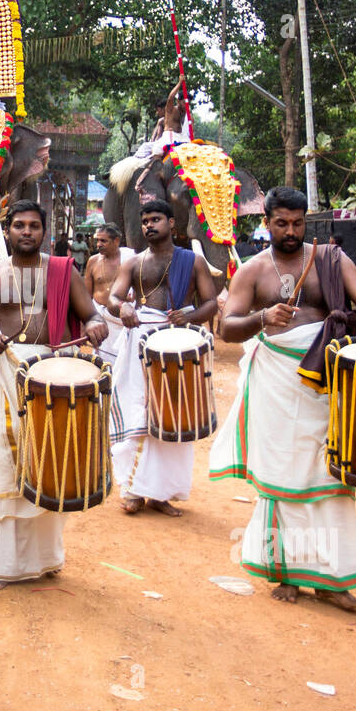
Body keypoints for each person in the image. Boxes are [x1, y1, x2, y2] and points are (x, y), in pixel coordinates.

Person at [209, 186, 356, 609]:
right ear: (268, 223)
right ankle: (285, 573)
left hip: (327, 380)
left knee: (330, 474)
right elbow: (228, 327)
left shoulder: (332, 259)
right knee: (283, 477)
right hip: (276, 382)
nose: (291, 231)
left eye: (298, 223)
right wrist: (263, 317)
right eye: (282, 223)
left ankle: (331, 580)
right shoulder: (254, 270)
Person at [0, 200, 109, 589]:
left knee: (49, 455)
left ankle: (45, 559)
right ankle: (4, 564)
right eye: (19, 225)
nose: (26, 232)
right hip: (7, 369)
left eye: (34, 226)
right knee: (3, 456)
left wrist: (95, 326)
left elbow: (91, 314)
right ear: (8, 231)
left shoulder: (63, 271)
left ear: (45, 231)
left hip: (54, 372)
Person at [105, 200, 218, 516]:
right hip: (138, 343)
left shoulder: (192, 262)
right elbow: (114, 296)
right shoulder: (134, 263)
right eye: (145, 221)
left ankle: (160, 493)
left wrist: (190, 315)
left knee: (171, 416)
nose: (149, 226)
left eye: (156, 219)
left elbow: (211, 304)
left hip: (176, 346)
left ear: (172, 224)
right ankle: (132, 490)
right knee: (136, 412)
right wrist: (123, 307)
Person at [84, 223, 135, 367]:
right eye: (97, 240)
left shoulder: (130, 259)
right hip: (102, 320)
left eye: (103, 241)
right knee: (103, 364)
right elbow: (86, 295)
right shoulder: (93, 261)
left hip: (124, 321)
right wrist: (86, 322)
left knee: (126, 363)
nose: (98, 244)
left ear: (116, 241)